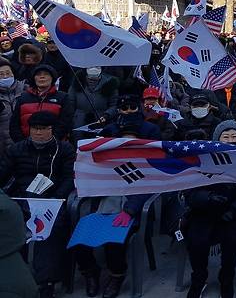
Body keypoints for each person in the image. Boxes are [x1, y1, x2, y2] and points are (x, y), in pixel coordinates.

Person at [75, 124, 161, 298]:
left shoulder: (146, 163)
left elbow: (148, 189)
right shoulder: (106, 163)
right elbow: (88, 181)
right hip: (101, 208)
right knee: (79, 241)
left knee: (113, 243)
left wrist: (129, 210)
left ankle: (117, 276)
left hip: (130, 212)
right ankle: (90, 272)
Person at [0, 111, 75, 298]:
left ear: (52, 130)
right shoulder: (16, 149)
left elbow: (68, 179)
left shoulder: (64, 149)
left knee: (49, 231)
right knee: (10, 226)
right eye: (35, 129)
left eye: (43, 129)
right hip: (21, 197)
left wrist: (55, 199)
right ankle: (18, 275)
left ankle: (46, 281)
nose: (38, 133)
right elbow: (3, 175)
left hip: (52, 199)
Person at [183, 120, 236, 298]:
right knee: (196, 240)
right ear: (217, 139)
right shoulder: (203, 159)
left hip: (232, 214)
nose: (230, 140)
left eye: (234, 137)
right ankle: (199, 277)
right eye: (226, 137)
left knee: (233, 240)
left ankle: (226, 278)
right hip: (204, 211)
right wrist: (207, 198)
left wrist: (234, 210)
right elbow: (190, 189)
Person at [10, 64, 73, 142]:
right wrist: (22, 142)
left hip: (54, 144)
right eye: (38, 74)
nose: (42, 77)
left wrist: (53, 140)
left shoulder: (63, 98)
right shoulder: (23, 97)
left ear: (52, 78)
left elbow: (65, 122)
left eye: (46, 74)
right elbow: (14, 123)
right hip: (26, 144)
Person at [0, 57, 24, 157]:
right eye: (1, 74)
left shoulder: (26, 90)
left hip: (24, 143)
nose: (5, 76)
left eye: (8, 72)